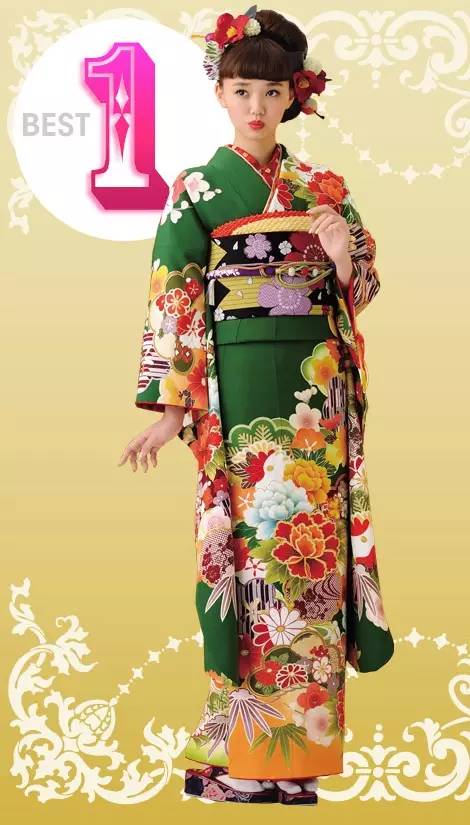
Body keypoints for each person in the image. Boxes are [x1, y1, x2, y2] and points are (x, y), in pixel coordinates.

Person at [118, 5, 394, 806]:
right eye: (242, 90)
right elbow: (174, 293)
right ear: (221, 93)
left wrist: (341, 258)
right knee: (245, 558)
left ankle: (297, 761)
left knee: (312, 564)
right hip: (237, 397)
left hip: (313, 396)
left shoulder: (324, 188)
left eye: (271, 93)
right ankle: (245, 754)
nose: (256, 107)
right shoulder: (197, 190)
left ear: (292, 97)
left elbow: (363, 286)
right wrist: (171, 410)